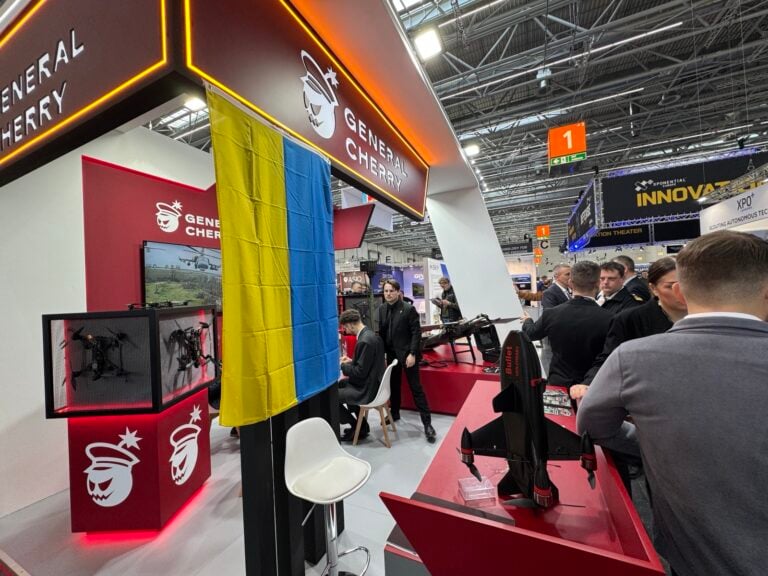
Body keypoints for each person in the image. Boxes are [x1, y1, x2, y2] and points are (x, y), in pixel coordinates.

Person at [577, 231, 768, 576]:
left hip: (690, 554)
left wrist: (652, 444)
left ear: (679, 291)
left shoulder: (633, 359)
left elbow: (592, 425)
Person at [575, 256, 687, 399]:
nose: (681, 292)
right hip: (650, 396)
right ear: (654, 288)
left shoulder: (705, 317)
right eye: (670, 286)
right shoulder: (630, 319)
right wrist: (587, 384)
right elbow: (610, 357)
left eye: (686, 284)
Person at [521, 261, 612, 388]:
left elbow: (530, 334)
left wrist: (528, 320)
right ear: (598, 283)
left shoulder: (551, 314)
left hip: (559, 383)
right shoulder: (610, 318)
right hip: (595, 385)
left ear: (571, 283)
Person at [377, 279, 436, 443]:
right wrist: (382, 353)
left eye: (391, 291)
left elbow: (416, 333)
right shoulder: (382, 309)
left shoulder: (408, 309)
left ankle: (427, 424)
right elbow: (382, 332)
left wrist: (412, 353)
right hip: (391, 355)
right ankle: (394, 413)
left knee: (416, 388)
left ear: (398, 292)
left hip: (407, 354)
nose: (388, 294)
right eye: (386, 291)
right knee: (394, 386)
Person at [338, 309, 386, 441]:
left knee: (332, 398)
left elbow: (360, 372)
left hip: (367, 389)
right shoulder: (370, 334)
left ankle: (355, 426)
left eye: (345, 327)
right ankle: (362, 426)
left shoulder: (364, 341)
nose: (346, 331)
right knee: (341, 384)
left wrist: (342, 366)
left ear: (350, 324)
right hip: (374, 382)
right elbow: (366, 364)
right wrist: (351, 361)